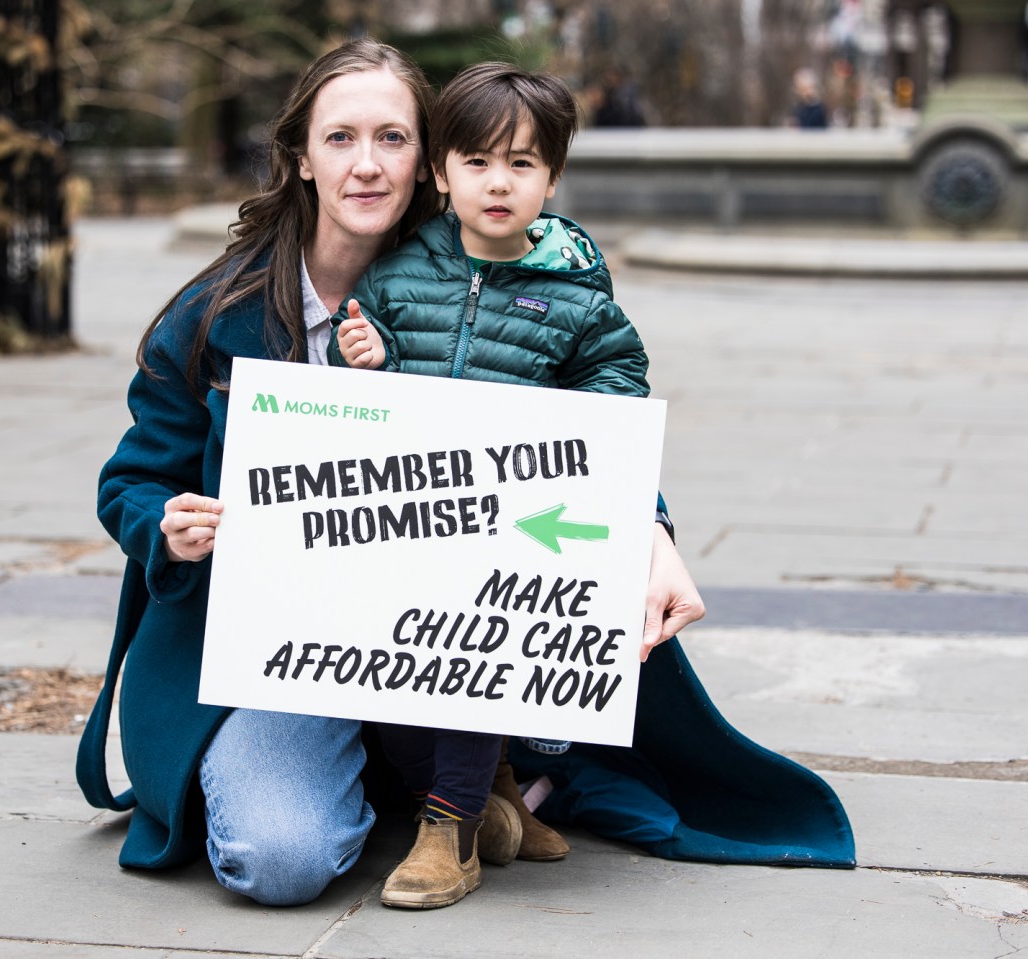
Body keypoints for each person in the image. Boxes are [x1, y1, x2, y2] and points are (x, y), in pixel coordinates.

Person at [76, 38, 854, 910]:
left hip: (437, 630)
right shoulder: (214, 312)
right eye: (340, 139)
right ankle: (403, 786)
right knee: (278, 862)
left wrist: (650, 531)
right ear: (300, 156)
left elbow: (582, 426)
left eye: (392, 139)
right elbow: (129, 484)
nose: (367, 165)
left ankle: (448, 796)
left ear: (427, 162)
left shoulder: (491, 269)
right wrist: (165, 524)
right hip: (271, 648)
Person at [327, 61, 662, 909]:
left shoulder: (576, 288)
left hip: (516, 523)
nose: (499, 181)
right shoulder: (399, 275)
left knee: (482, 648)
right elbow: (356, 399)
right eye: (477, 162)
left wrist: (578, 423)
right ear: (441, 174)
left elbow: (618, 377)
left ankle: (451, 829)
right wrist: (365, 361)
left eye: (522, 162)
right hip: (418, 515)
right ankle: (499, 788)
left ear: (551, 175)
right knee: (399, 679)